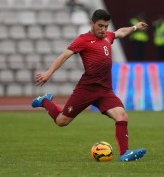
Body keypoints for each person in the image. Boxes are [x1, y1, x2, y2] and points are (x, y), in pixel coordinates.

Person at [31, 9, 148, 162]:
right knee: (61, 121)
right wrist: (48, 73)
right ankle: (45, 101)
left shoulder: (108, 36)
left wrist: (134, 28)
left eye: (106, 26)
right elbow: (64, 55)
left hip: (105, 91)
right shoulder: (83, 40)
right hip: (86, 89)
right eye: (100, 26)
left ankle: (125, 153)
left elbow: (120, 32)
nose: (103, 29)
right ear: (92, 23)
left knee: (122, 115)